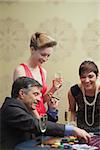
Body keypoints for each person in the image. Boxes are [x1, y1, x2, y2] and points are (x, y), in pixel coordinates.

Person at [0, 77, 91, 150]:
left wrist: (51, 111)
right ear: (22, 93)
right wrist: (72, 129)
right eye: (35, 94)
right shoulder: (11, 108)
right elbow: (36, 125)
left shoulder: (23, 108)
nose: (39, 99)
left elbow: (41, 127)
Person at [13, 32, 62, 121]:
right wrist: (39, 122)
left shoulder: (43, 72)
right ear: (32, 49)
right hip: (27, 119)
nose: (45, 59)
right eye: (43, 54)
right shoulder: (20, 70)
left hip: (40, 118)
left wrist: (53, 89)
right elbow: (23, 101)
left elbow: (39, 100)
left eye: (48, 56)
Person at [68, 60, 100, 133]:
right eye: (83, 77)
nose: (87, 80)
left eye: (90, 76)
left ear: (97, 76)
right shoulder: (74, 91)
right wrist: (72, 126)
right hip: (81, 131)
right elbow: (72, 111)